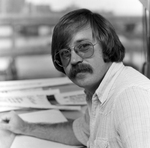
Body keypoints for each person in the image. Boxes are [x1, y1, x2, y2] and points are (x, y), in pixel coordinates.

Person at [1, 8, 150, 148]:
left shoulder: (130, 98)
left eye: (84, 47)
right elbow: (81, 132)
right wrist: (25, 127)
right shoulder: (99, 93)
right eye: (65, 53)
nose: (73, 60)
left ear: (106, 46)